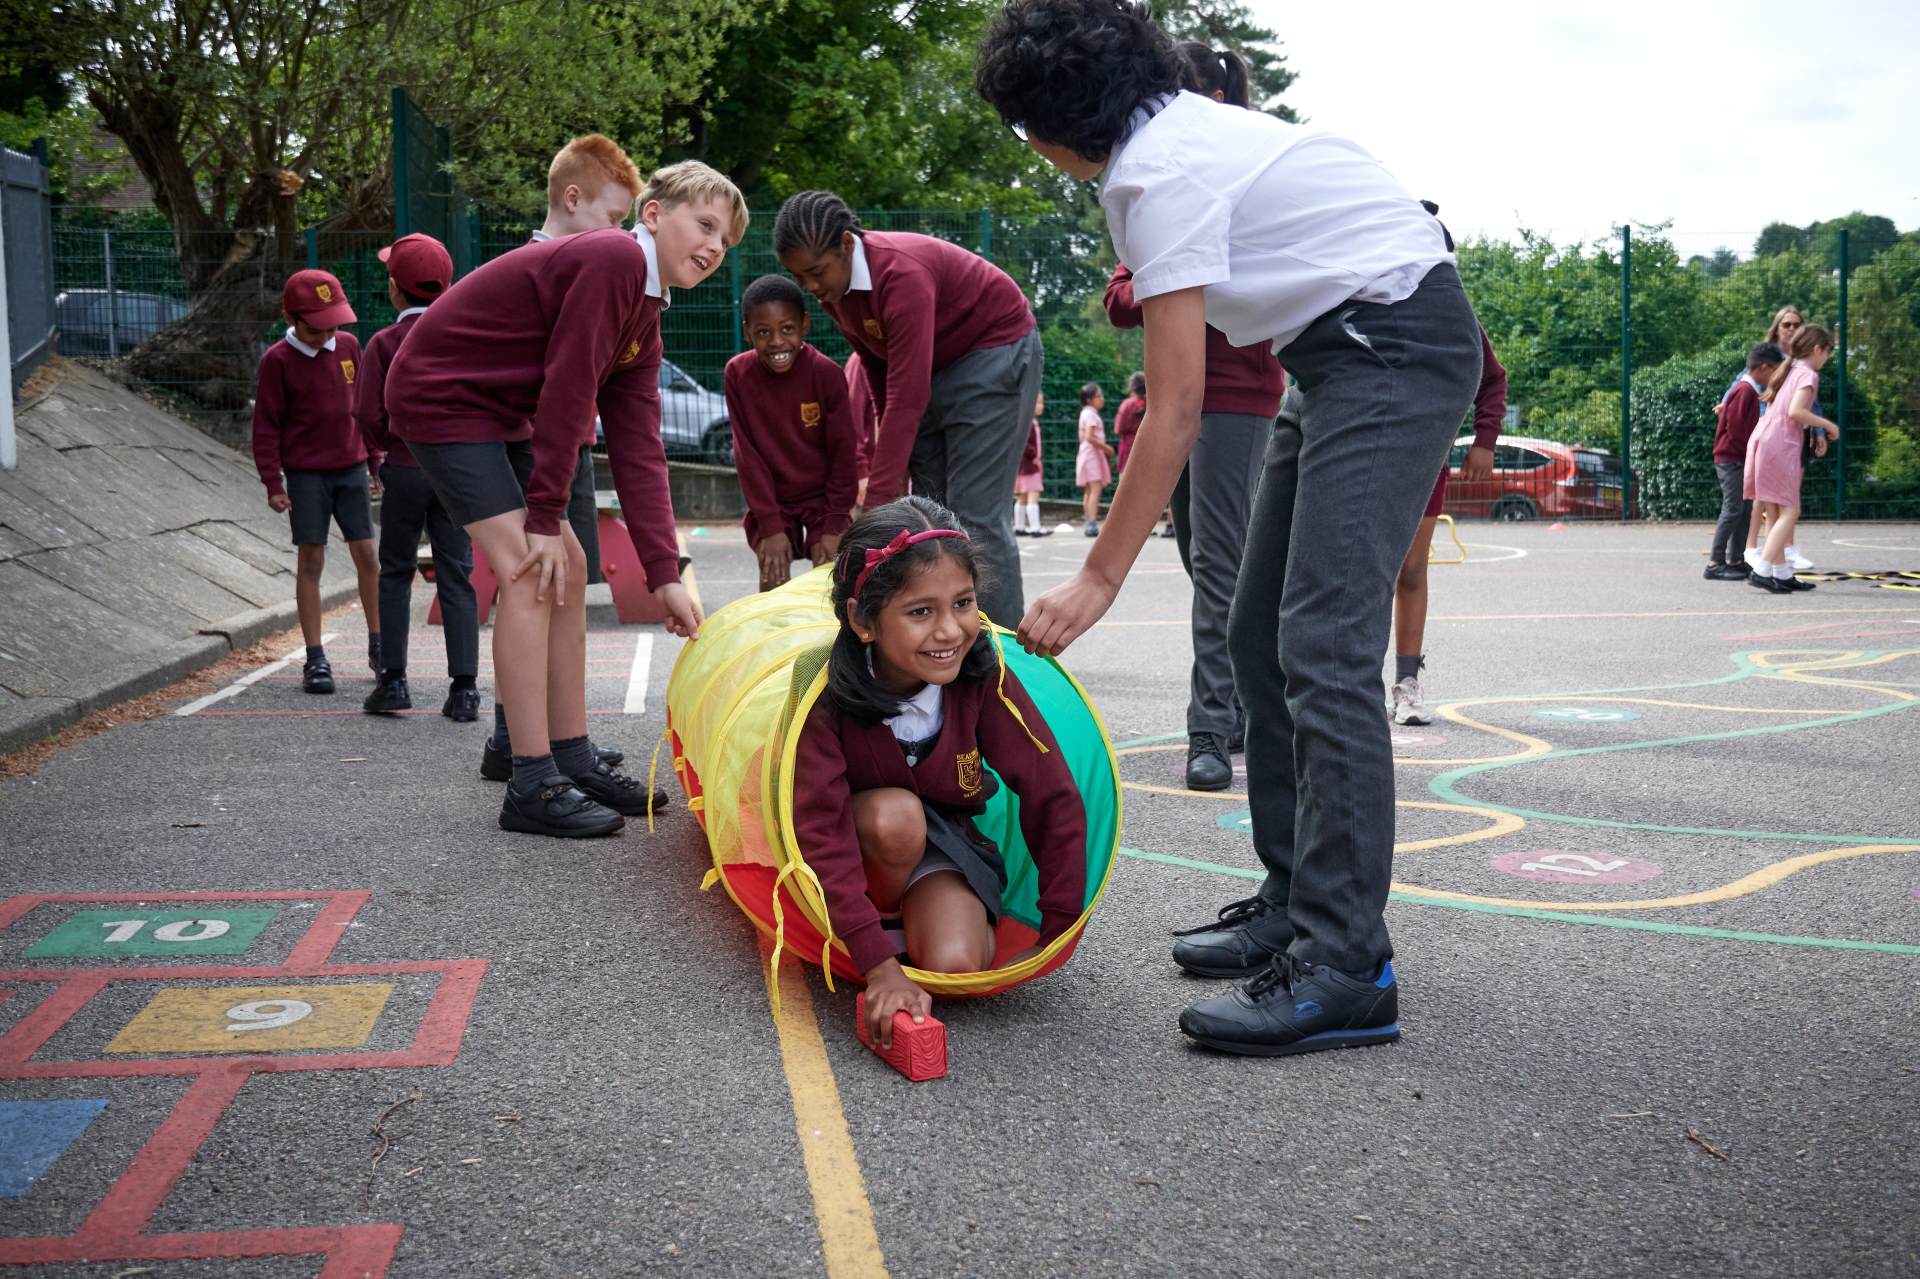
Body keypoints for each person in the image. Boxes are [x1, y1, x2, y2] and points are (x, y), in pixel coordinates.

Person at [978, 0, 1481, 1057]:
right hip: (1335, 349)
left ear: (1048, 131)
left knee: (1326, 647)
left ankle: (1348, 964)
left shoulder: (1155, 176)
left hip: (1391, 345)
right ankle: (1297, 900)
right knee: (1261, 634)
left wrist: (1099, 580)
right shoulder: (1179, 134)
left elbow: (1175, 407)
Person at [387, 162, 745, 837]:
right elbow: (568, 388)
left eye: (723, 243)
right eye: (704, 225)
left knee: (571, 564)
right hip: (443, 393)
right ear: (653, 215)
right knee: (529, 564)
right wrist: (544, 517)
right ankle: (529, 781)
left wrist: (663, 572)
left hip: (501, 408)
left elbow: (640, 450)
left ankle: (572, 756)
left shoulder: (647, 313)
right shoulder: (613, 259)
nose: (711, 247)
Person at [789, 496, 1089, 1048]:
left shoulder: (982, 674)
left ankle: (918, 924)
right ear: (863, 621)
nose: (951, 630)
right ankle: (875, 929)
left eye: (963, 603)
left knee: (955, 967)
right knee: (893, 816)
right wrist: (878, 967)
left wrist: (1060, 922)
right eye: (921, 612)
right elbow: (820, 833)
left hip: (943, 846)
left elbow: (1052, 790)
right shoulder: (824, 693)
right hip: (857, 846)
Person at [773, 191, 1043, 626]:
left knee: (975, 513)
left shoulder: (901, 272)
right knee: (931, 515)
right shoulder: (836, 293)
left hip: (993, 353)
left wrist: (876, 502)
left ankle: (1000, 659)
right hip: (936, 369)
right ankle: (946, 640)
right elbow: (882, 380)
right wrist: (891, 480)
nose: (810, 288)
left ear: (845, 245)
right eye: (799, 277)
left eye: (816, 272)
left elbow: (908, 394)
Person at [475, 134, 650, 781]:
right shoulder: (541, 271)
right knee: (535, 582)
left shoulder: (586, 268)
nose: (621, 236)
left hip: (564, 445)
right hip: (525, 443)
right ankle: (519, 742)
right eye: (612, 219)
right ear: (572, 198)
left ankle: (543, 739)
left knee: (561, 582)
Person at [353, 233, 480, 719]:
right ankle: (464, 689)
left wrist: (388, 443)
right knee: (457, 575)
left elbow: (366, 412)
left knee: (396, 572)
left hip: (405, 467)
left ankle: (394, 680)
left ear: (395, 289)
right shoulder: (463, 338)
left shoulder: (384, 343)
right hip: (456, 473)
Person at [251, 268, 381, 695]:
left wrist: (375, 462)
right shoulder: (277, 360)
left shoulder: (348, 346)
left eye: (333, 325)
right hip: (307, 475)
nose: (326, 334)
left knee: (367, 554)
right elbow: (266, 426)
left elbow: (364, 406)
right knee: (312, 561)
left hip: (351, 468)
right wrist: (273, 482)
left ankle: (381, 646)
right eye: (315, 327)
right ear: (291, 318)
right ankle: (315, 658)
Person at [1387, 323, 1506, 727]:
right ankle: (1348, 687)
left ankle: (1406, 683)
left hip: (1425, 456)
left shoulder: (1449, 311)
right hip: (1359, 450)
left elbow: (1492, 377)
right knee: (1357, 572)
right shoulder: (1359, 291)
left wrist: (1485, 440)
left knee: (1411, 569)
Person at [724, 274, 861, 592]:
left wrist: (835, 521)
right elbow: (748, 456)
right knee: (773, 576)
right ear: (747, 331)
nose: (776, 342)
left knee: (830, 582)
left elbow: (843, 454)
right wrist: (771, 527)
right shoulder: (738, 374)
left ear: (805, 325)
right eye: (763, 332)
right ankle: (774, 638)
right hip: (773, 500)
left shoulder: (827, 374)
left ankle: (832, 642)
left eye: (787, 329)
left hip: (823, 500)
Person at [1746, 324, 1839, 595]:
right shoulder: (1807, 374)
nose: (1826, 359)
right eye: (1827, 353)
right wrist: (1829, 426)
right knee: (1790, 510)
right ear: (1817, 349)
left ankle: (1782, 572)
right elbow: (1796, 411)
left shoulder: (1790, 369)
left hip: (1765, 439)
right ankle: (1762, 570)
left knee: (1774, 510)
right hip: (1780, 444)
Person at [1706, 342, 1784, 581]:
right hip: (1732, 458)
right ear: (1763, 367)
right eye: (1774, 372)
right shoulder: (1745, 391)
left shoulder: (1746, 390)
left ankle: (1736, 559)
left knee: (1744, 508)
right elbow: (1737, 429)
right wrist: (1754, 449)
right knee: (1733, 509)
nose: (1774, 378)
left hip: (1737, 457)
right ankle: (1715, 562)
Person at [1075, 382, 1114, 535]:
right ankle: (1092, 523)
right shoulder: (1091, 414)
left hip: (1086, 453)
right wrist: (1107, 448)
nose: (1102, 399)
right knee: (1095, 489)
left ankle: (1089, 520)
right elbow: (1089, 437)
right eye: (1099, 396)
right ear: (1089, 399)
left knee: (1089, 490)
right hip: (1092, 454)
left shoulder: (1085, 412)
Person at [1012, 390, 1052, 537]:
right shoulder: (1031, 423)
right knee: (1033, 495)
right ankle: (1035, 528)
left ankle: (1019, 526)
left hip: (1022, 466)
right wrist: (1034, 455)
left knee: (1022, 497)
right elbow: (1023, 443)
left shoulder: (1025, 422)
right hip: (1030, 466)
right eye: (1039, 403)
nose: (1042, 406)